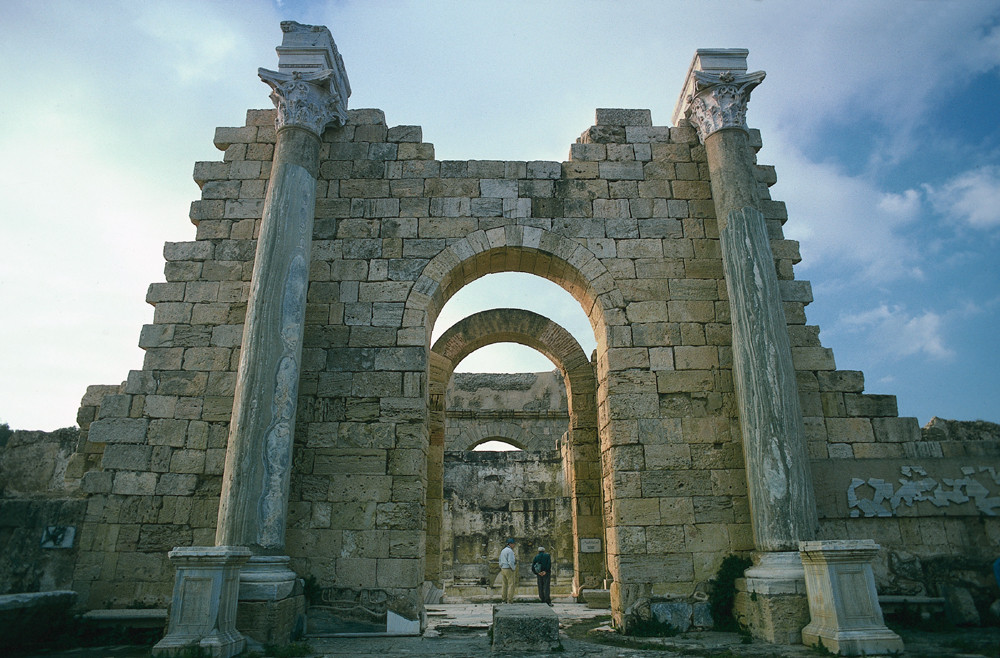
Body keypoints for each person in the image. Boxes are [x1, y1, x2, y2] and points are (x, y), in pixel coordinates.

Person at [499, 538, 517, 603]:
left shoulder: (503, 550)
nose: (514, 545)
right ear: (511, 544)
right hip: (508, 568)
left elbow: (500, 560)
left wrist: (501, 566)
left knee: (504, 584)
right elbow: (511, 561)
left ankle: (503, 599)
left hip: (503, 568)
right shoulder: (510, 551)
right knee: (511, 584)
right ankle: (510, 600)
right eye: (513, 544)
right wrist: (513, 568)